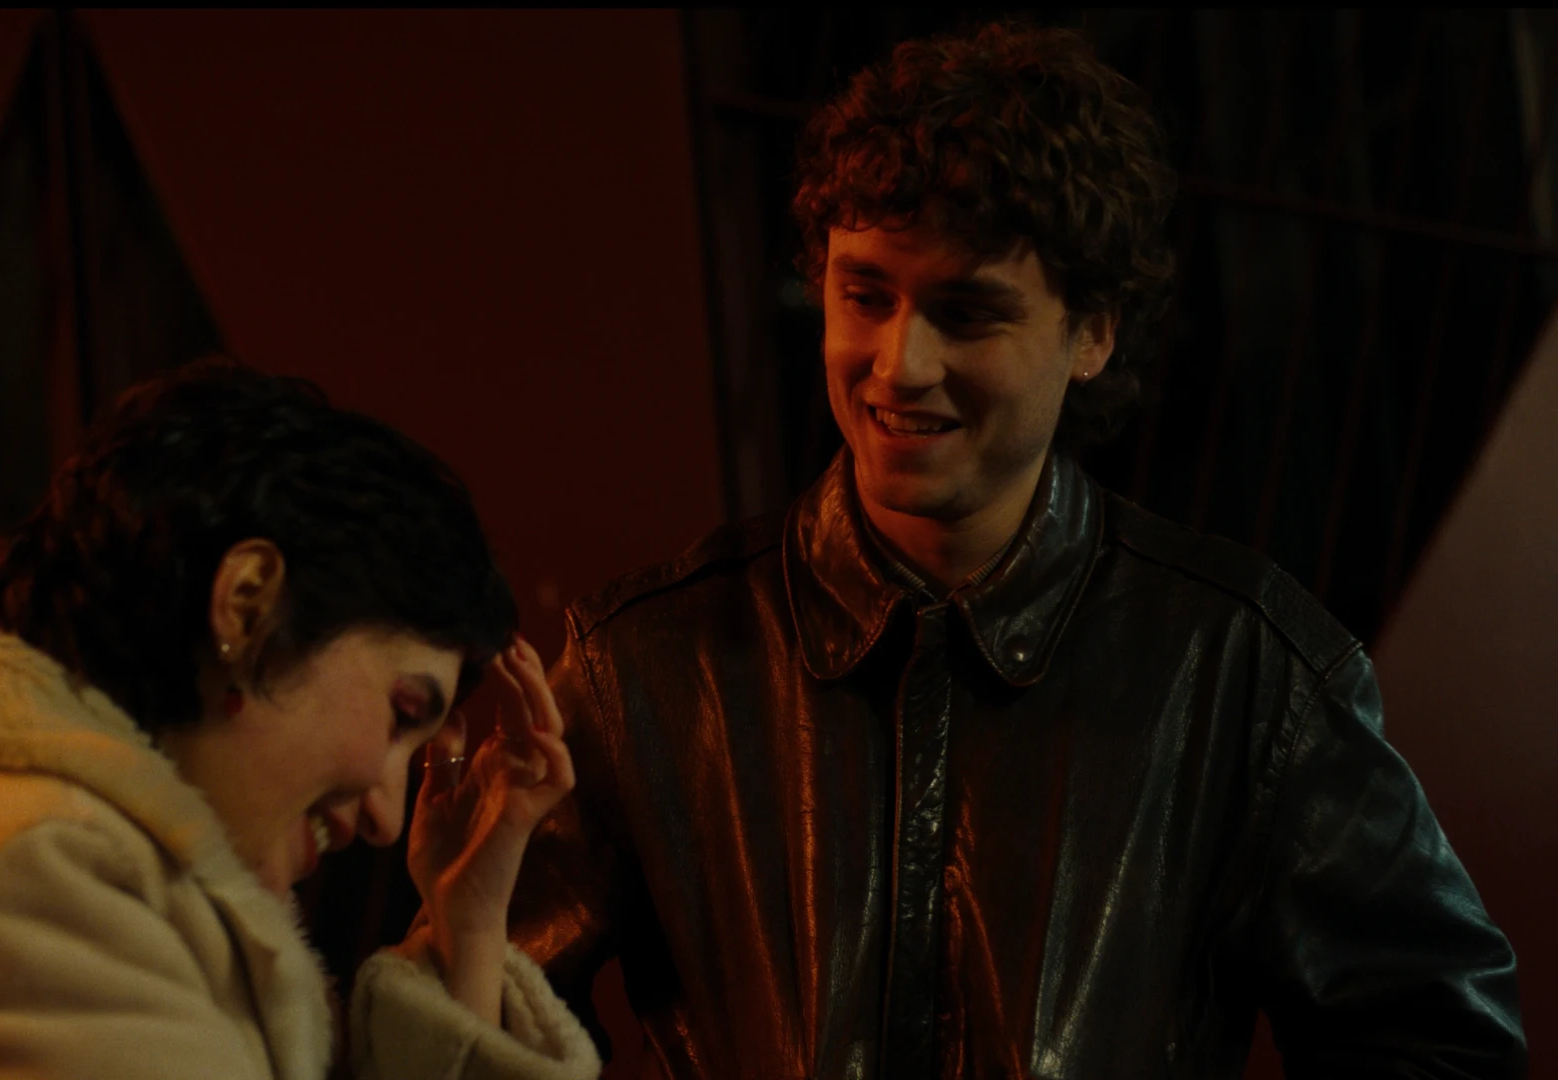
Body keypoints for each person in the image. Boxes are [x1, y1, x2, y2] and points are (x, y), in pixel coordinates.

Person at [510, 22, 1526, 1079]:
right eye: (866, 295)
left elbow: (1442, 1041)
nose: (900, 364)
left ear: (1094, 333)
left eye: (968, 313)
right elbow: (480, 1023)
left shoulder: (1243, 675)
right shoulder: (644, 667)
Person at [0, 361, 602, 1080]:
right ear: (246, 604)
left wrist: (469, 926)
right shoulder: (44, 879)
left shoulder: (53, 858)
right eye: (403, 712)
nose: (386, 815)